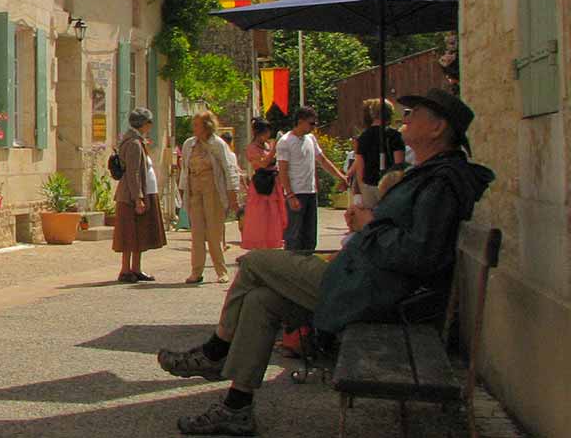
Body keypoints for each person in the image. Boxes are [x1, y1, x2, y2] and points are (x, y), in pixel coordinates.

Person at [156, 89, 494, 435]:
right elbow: (410, 238)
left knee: (255, 262)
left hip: (371, 291)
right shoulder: (432, 175)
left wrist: (369, 226)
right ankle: (236, 407)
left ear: (437, 129)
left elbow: (418, 253)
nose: (405, 118)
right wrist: (373, 220)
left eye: (415, 112)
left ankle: (215, 351)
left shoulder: (441, 182)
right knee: (261, 301)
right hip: (366, 281)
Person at [178, 111, 241, 284]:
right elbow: (185, 169)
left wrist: (232, 194)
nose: (194, 128)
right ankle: (196, 271)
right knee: (197, 233)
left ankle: (221, 271)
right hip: (195, 191)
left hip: (212, 190)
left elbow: (229, 169)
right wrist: (182, 190)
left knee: (214, 232)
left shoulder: (218, 144)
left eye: (197, 124)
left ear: (207, 126)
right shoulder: (189, 144)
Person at [275, 106, 347, 251]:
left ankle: (307, 262)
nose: (313, 127)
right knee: (294, 234)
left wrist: (340, 176)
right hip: (296, 192)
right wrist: (290, 194)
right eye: (311, 123)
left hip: (310, 191)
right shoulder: (285, 141)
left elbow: (322, 160)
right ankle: (292, 265)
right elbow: (282, 170)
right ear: (300, 121)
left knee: (310, 234)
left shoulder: (311, 139)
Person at [113, 108, 168, 282]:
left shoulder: (138, 142)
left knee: (139, 232)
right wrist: (138, 198)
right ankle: (125, 269)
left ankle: (136, 268)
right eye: (149, 123)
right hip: (131, 196)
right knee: (129, 233)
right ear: (144, 124)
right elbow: (133, 173)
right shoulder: (134, 144)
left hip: (143, 193)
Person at [352, 98, 406, 208]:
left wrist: (359, 188)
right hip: (389, 185)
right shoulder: (394, 136)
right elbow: (399, 164)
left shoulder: (363, 137)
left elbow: (360, 165)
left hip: (368, 184)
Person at [241, 119, 286, 250]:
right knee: (260, 217)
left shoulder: (267, 144)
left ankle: (273, 242)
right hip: (262, 184)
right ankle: (259, 244)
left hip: (273, 182)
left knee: (274, 215)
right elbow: (262, 163)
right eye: (265, 132)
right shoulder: (252, 148)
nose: (267, 135)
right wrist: (274, 150)